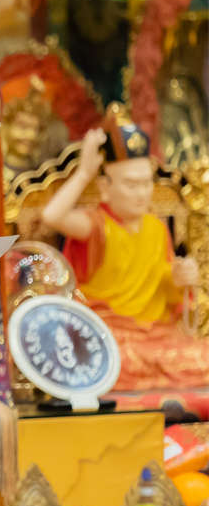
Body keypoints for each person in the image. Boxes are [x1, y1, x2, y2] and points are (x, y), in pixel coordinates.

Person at [42, 104, 209, 389]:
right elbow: (51, 216)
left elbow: (166, 287)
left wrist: (180, 279)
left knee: (201, 357)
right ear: (105, 188)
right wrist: (84, 173)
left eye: (146, 184)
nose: (142, 194)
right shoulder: (96, 225)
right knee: (111, 360)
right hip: (109, 334)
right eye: (132, 185)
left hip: (157, 335)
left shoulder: (156, 228)